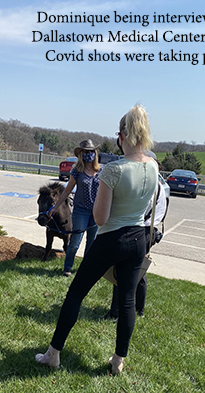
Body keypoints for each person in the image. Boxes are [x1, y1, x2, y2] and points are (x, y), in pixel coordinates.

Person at [35, 105, 158, 375]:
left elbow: (100, 218)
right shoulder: (153, 166)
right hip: (138, 239)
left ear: (122, 135)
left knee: (75, 293)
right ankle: (118, 361)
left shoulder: (113, 171)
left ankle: (53, 354)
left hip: (112, 238)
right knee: (127, 301)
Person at [104, 178, 167, 321]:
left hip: (137, 230)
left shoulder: (148, 184)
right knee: (138, 270)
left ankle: (116, 312)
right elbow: (160, 213)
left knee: (123, 270)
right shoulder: (159, 186)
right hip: (147, 231)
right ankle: (139, 308)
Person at [48, 140, 102, 276]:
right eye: (85, 152)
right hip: (81, 212)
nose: (88, 154)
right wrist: (56, 206)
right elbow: (67, 191)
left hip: (95, 212)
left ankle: (86, 268)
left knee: (92, 243)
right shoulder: (77, 171)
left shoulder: (100, 171)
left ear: (95, 153)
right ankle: (67, 267)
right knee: (75, 243)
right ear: (81, 154)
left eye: (90, 151)